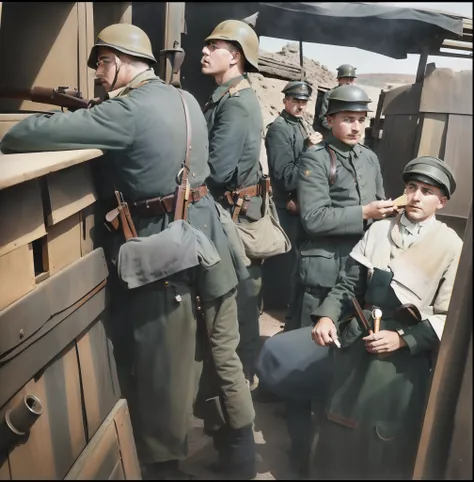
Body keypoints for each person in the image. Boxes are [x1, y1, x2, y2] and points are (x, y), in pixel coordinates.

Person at [0, 23, 256, 480]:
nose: (98, 73)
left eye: (102, 62)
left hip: (165, 248)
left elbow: (23, 136)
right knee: (221, 353)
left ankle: (164, 468)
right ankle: (240, 459)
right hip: (210, 238)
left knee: (162, 366)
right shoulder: (186, 98)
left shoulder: (127, 111)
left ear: (121, 61)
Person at [261, 84, 395, 477]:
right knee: (309, 366)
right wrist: (365, 212)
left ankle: (332, 455)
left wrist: (386, 212)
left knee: (347, 367)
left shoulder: (369, 158)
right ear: (330, 120)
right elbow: (314, 219)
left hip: (360, 277)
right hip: (322, 276)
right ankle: (300, 455)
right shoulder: (315, 159)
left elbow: (378, 208)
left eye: (360, 120)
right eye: (348, 119)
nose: (355, 127)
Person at [310, 156, 462, 480]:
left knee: (385, 438)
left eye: (427, 190)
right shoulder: (379, 230)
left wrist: (403, 340)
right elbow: (348, 285)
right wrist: (325, 317)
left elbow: (447, 317)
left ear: (442, 200)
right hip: (357, 344)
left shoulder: (451, 246)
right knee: (338, 426)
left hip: (403, 361)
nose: (416, 196)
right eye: (411, 187)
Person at [201, 19, 265, 394]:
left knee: (239, 301)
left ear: (235, 55)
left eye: (214, 46)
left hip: (235, 216)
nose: (204, 52)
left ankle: (240, 385)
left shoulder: (237, 103)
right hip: (232, 210)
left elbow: (218, 170)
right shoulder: (225, 95)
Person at [262, 81, 314, 310]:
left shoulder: (301, 124)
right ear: (285, 101)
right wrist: (310, 152)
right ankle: (274, 308)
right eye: (295, 101)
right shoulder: (279, 129)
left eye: (303, 102)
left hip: (301, 204)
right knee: (283, 263)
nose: (300, 106)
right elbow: (285, 177)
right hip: (286, 205)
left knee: (294, 262)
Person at [313, 63, 357, 139]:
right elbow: (323, 119)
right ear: (339, 79)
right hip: (330, 134)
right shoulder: (330, 95)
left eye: (351, 79)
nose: (349, 82)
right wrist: (339, 130)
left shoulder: (354, 97)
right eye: (346, 78)